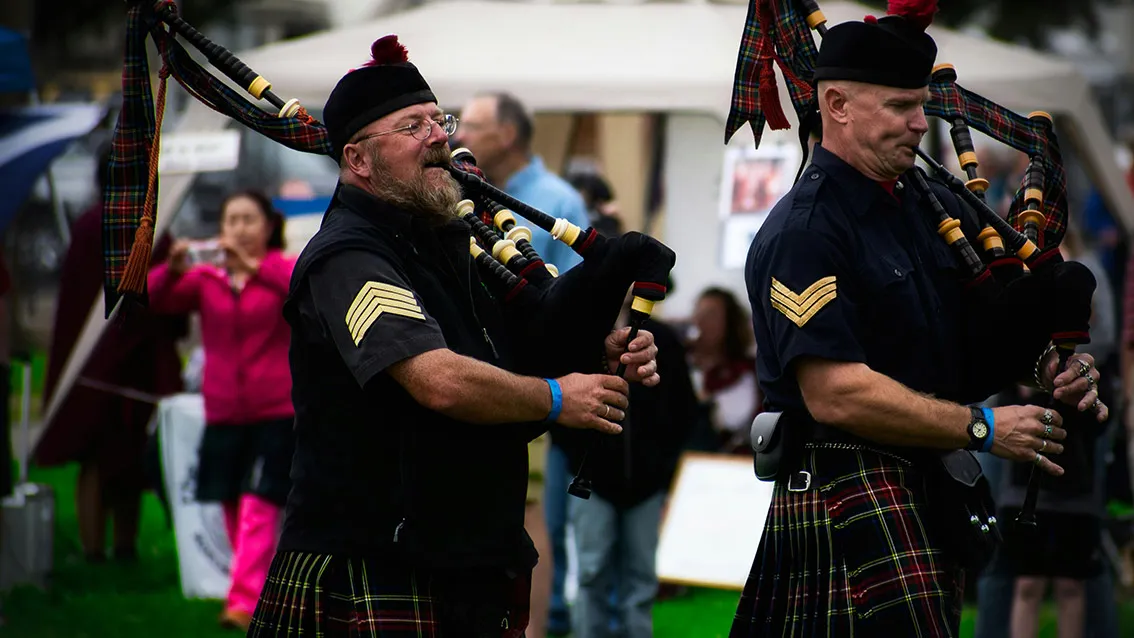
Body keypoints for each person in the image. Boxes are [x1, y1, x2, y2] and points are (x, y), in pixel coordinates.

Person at [246, 35, 660, 637]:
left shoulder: (444, 244)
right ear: (359, 159)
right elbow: (435, 378)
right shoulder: (347, 257)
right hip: (372, 560)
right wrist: (558, 397)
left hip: (462, 558)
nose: (439, 136)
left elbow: (513, 351)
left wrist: (597, 350)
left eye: (438, 120)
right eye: (413, 127)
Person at [729, 8, 1110, 636]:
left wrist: (1050, 368)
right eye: (901, 106)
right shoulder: (807, 232)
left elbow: (967, 335)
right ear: (838, 104)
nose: (918, 122)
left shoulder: (922, 207)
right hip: (844, 489)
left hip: (924, 487)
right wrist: (981, 426)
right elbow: (834, 392)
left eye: (921, 104)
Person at [457, 90, 594, 637]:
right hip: (479, 371)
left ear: (507, 134)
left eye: (470, 123)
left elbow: (578, 299)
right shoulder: (469, 191)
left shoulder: (554, 199)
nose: (458, 133)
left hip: (533, 380)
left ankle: (534, 628)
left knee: (530, 509)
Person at [148, 189, 296, 631]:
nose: (239, 229)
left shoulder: (280, 270)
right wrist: (170, 272)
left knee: (260, 503)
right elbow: (155, 300)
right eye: (232, 220)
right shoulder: (207, 278)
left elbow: (298, 295)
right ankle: (262, 590)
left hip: (275, 409)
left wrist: (253, 268)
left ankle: (244, 602)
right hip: (225, 411)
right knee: (231, 504)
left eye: (249, 220)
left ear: (269, 226)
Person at [38, 144, 186, 564]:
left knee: (131, 458)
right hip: (98, 367)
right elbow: (79, 304)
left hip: (138, 360)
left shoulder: (152, 229)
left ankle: (123, 549)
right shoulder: (95, 227)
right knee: (97, 455)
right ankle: (94, 552)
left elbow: (163, 294)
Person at [557, 295, 698, 638]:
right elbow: (560, 404)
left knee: (640, 575)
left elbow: (684, 409)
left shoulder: (663, 340)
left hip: (646, 483)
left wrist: (665, 471)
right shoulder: (582, 337)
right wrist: (579, 457)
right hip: (591, 480)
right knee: (591, 572)